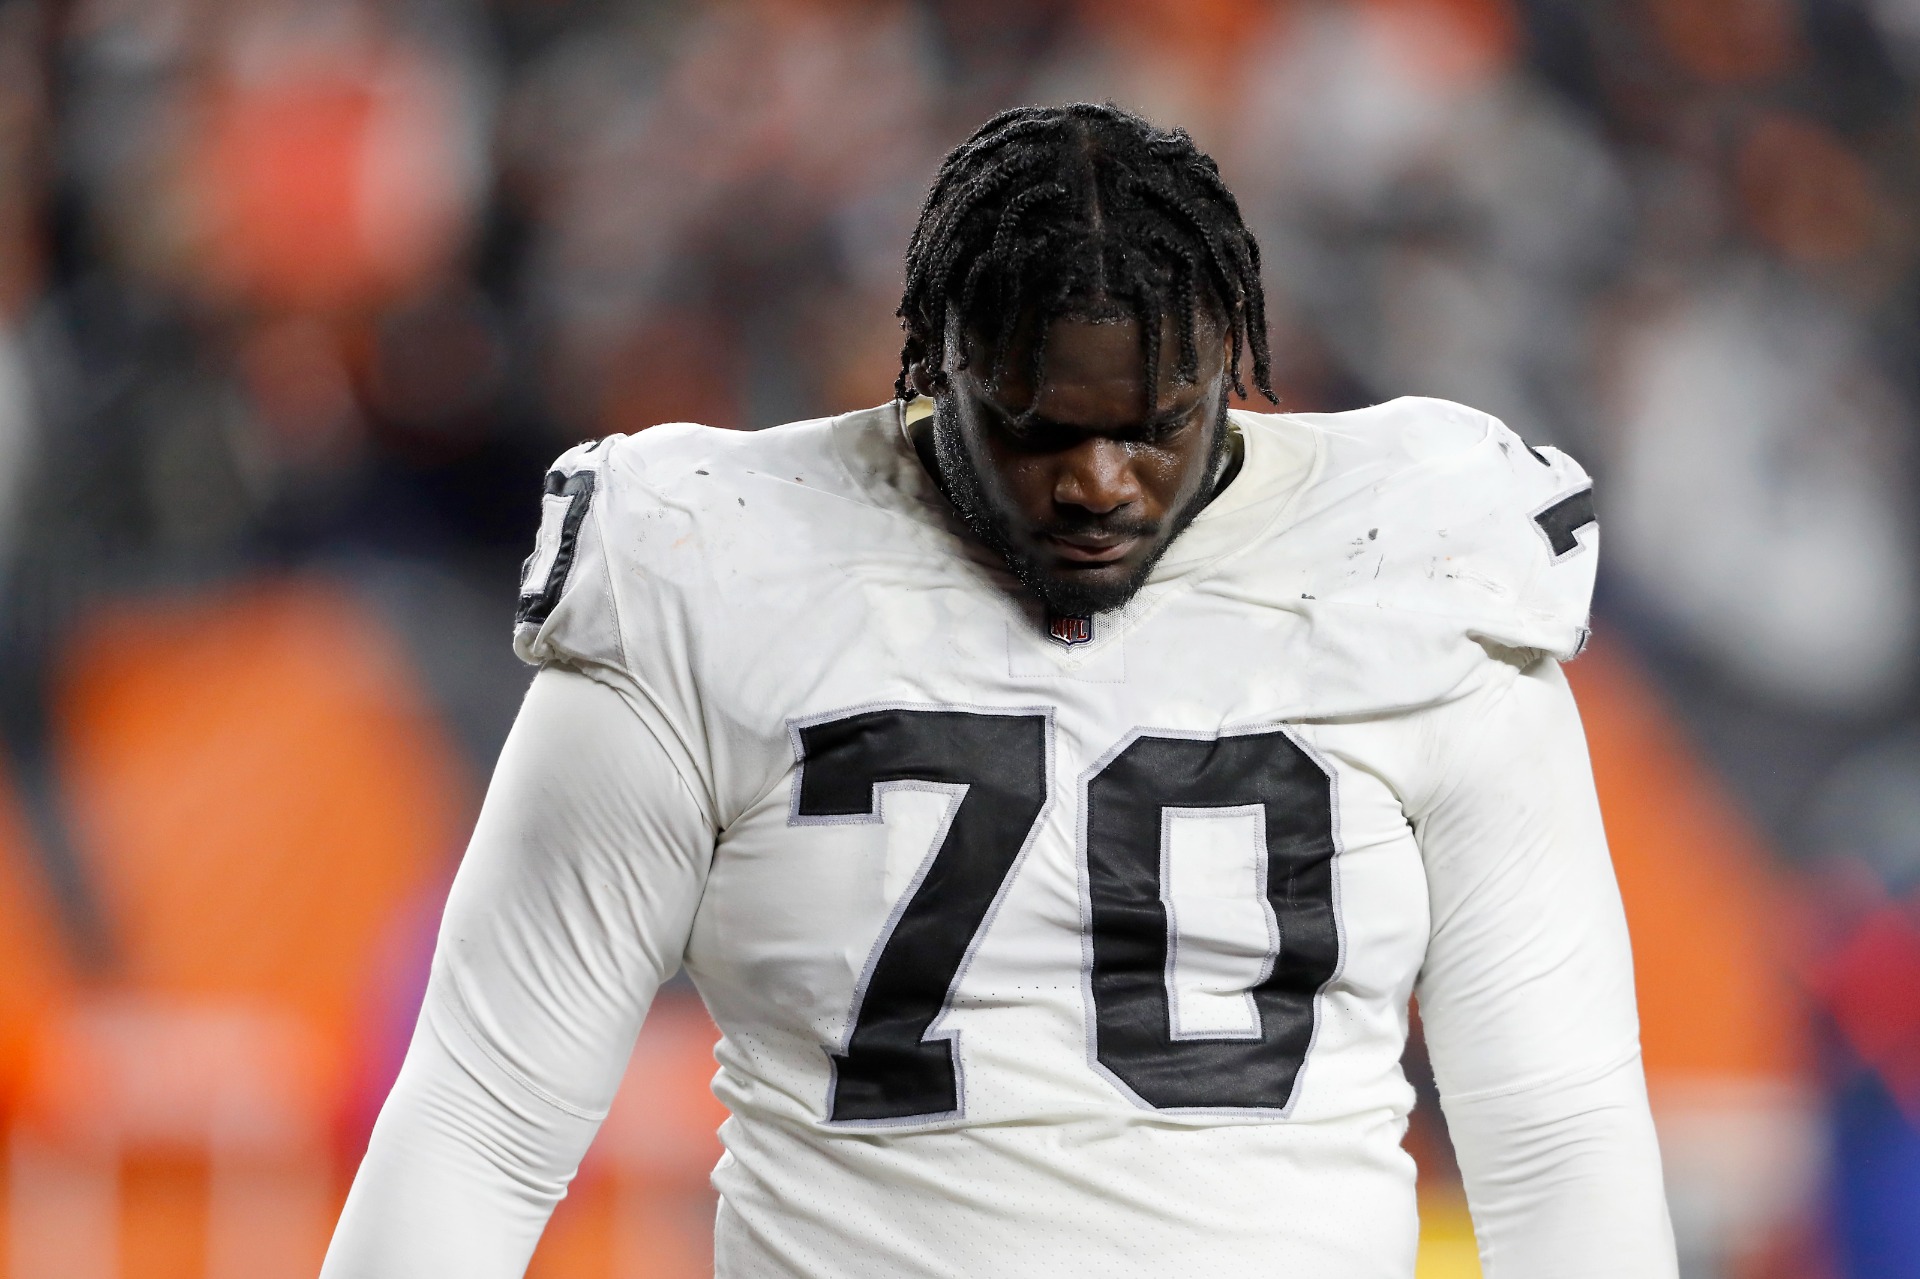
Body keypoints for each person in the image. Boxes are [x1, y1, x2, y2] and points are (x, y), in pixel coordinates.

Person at [322, 103, 1677, 1278]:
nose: (1098, 483)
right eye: (1037, 427)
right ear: (933, 366)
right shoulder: (708, 569)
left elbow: (1557, 1133)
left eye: (1155, 426)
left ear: (1233, 367)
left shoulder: (1419, 570)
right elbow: (483, 1119)